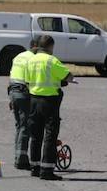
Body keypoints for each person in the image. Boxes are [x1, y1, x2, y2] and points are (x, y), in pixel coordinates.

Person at [24, 35, 73, 181]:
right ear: (50, 46)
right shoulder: (52, 61)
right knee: (50, 136)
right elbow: (69, 76)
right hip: (49, 101)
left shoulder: (30, 60)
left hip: (33, 100)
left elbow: (27, 81)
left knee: (36, 135)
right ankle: (47, 170)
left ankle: (35, 167)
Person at [8, 36, 41, 170]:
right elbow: (31, 80)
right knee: (25, 126)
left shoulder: (18, 57)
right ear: (36, 46)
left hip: (13, 91)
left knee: (19, 126)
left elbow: (11, 76)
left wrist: (10, 98)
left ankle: (18, 156)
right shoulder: (33, 59)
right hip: (23, 92)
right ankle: (21, 160)